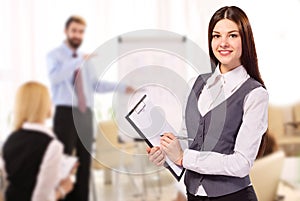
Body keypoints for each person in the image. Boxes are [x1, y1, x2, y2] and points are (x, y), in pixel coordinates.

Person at [147, 6, 268, 201]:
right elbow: (187, 140)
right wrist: (166, 155)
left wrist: (183, 157)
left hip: (234, 197)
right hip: (193, 195)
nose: (223, 43)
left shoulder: (255, 94)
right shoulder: (196, 84)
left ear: (245, 39)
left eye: (232, 36)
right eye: (216, 36)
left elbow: (242, 163)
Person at [46, 15, 133, 201]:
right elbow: (55, 78)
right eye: (74, 31)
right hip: (65, 113)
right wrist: (77, 61)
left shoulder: (85, 60)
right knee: (65, 161)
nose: (77, 35)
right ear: (66, 31)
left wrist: (122, 87)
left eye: (81, 32)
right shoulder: (55, 56)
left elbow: (95, 85)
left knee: (84, 161)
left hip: (85, 114)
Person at [2, 82, 74, 201]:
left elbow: (13, 181)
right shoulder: (52, 145)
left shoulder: (9, 140)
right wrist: (62, 190)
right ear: (44, 105)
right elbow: (41, 198)